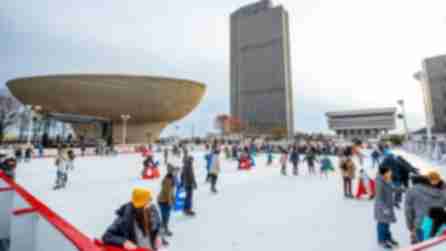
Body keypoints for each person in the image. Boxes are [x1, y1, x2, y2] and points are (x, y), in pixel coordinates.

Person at [404, 172, 446, 244]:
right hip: (440, 227)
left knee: (419, 246)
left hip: (419, 226)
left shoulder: (412, 190)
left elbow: (408, 211)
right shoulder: (442, 191)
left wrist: (411, 227)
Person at [374, 166, 399, 249]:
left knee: (387, 224)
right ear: (385, 172)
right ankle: (381, 241)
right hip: (382, 208)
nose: (390, 173)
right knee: (382, 224)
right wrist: (384, 208)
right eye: (389, 172)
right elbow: (379, 197)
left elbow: (392, 188)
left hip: (388, 206)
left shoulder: (387, 180)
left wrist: (402, 189)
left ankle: (388, 238)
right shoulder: (379, 182)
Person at [158, 166, 179, 238]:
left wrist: (173, 200)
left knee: (166, 216)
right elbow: (168, 193)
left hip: (165, 200)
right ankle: (164, 229)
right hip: (163, 201)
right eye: (175, 172)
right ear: (171, 172)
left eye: (177, 172)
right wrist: (170, 203)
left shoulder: (172, 179)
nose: (177, 173)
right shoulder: (168, 180)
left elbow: (172, 192)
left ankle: (162, 228)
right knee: (165, 217)